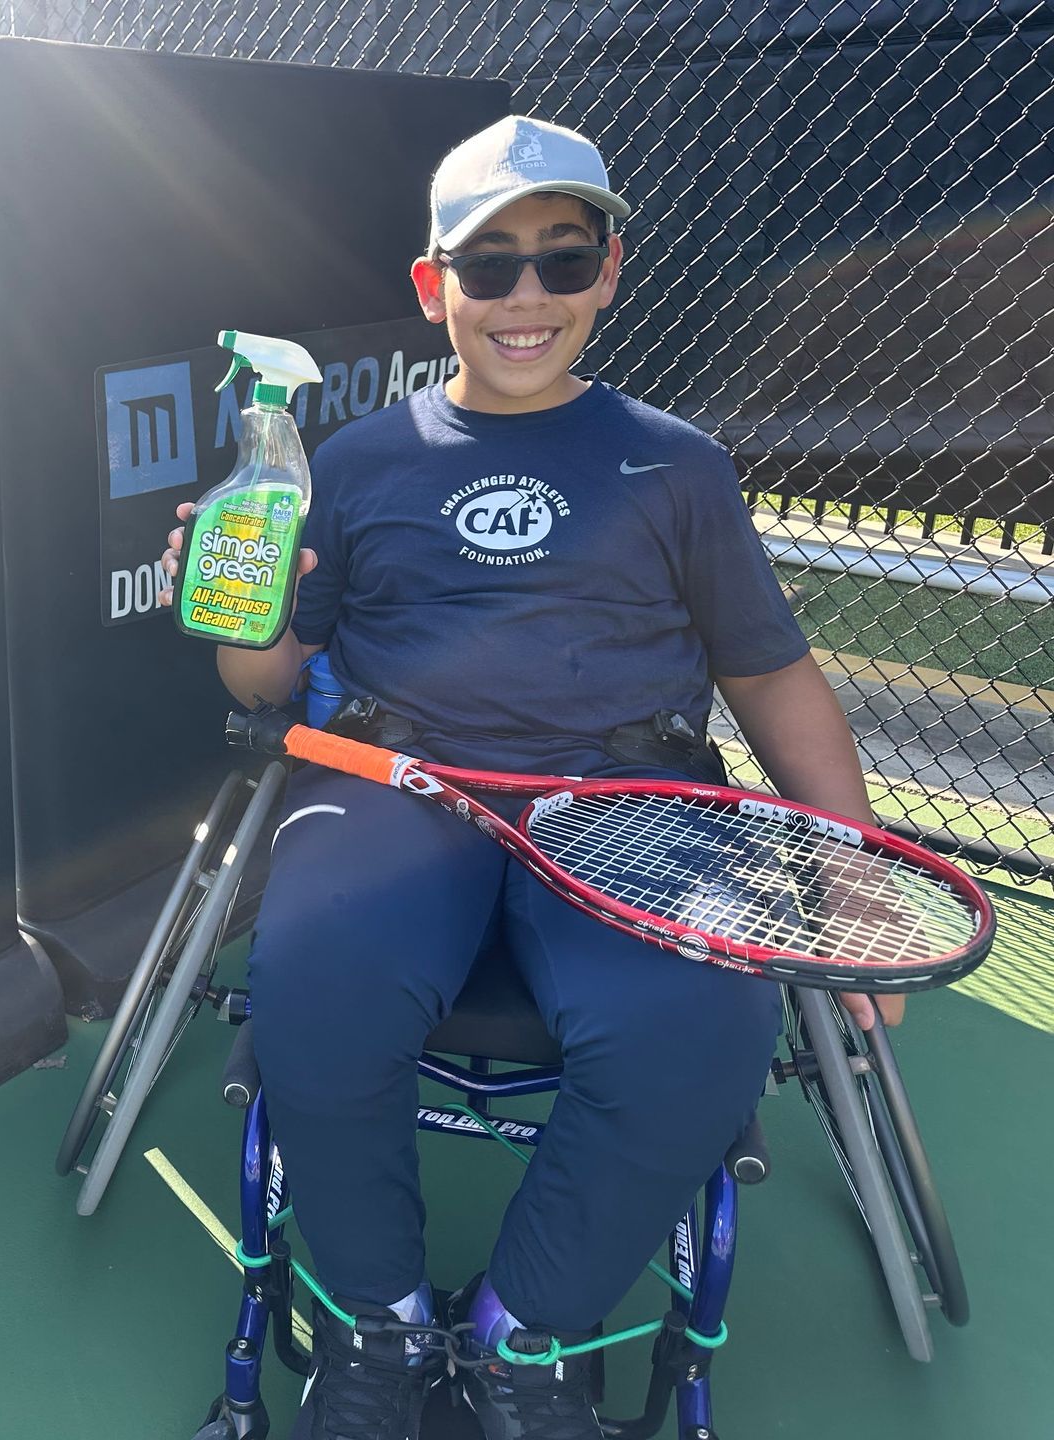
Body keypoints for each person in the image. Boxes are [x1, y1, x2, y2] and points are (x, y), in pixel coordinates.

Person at [157, 114, 898, 1440]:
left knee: (703, 1027)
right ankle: (375, 1334)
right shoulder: (354, 463)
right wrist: (240, 614)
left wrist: (842, 872)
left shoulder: (678, 463)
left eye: (565, 259)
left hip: (631, 806)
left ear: (612, 269)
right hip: (398, 788)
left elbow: (774, 679)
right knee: (315, 979)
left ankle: (528, 1339)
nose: (528, 298)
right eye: (489, 269)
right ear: (433, 287)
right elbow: (265, 691)